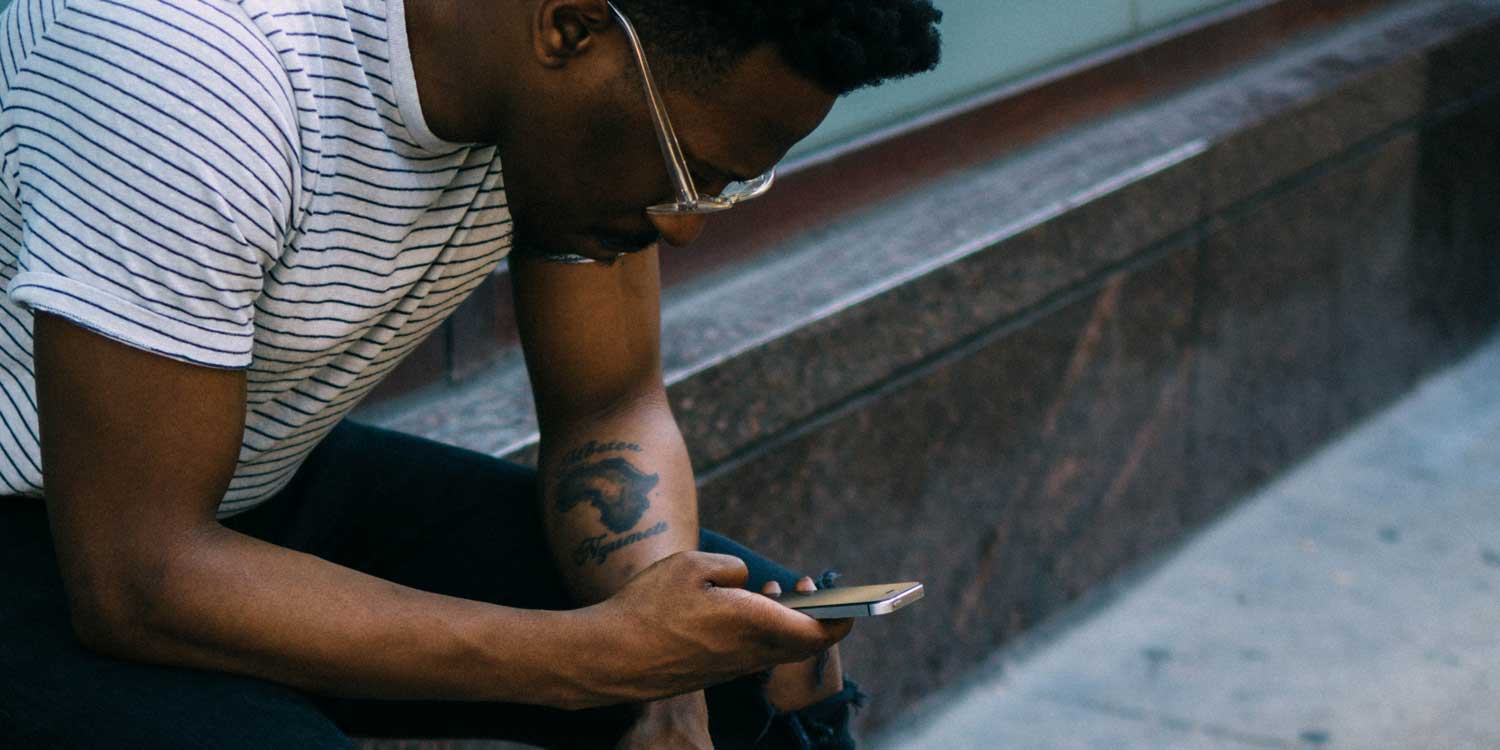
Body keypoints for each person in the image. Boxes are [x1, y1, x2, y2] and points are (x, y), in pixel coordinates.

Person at [0, 0, 942, 747]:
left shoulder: (567, 95)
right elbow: (138, 579)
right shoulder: (190, 65)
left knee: (762, 672)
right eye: (687, 169)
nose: (685, 223)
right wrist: (592, 660)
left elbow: (609, 407)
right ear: (569, 25)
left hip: (246, 477)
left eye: (725, 186)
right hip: (63, 533)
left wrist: (669, 683)